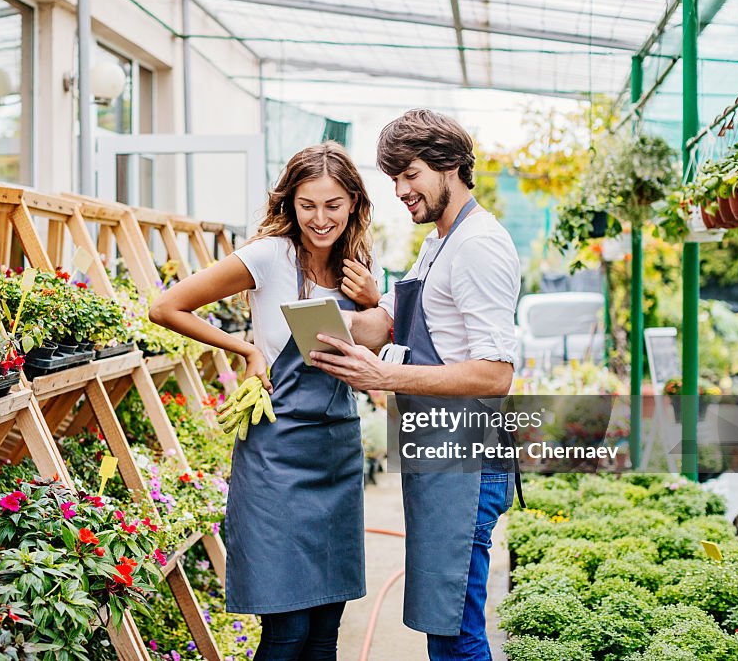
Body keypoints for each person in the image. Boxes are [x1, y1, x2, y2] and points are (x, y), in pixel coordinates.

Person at [149, 141, 382, 660]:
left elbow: (382, 343)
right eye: (308, 205)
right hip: (278, 455)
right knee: (289, 631)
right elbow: (166, 307)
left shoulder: (359, 266)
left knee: (325, 629)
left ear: (354, 205)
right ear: (289, 203)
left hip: (337, 452)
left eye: (333, 205)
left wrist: (374, 300)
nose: (320, 219)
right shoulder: (267, 255)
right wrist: (246, 347)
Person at [310, 110, 521, 660]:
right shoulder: (440, 241)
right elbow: (393, 323)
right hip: (438, 453)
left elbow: (496, 374)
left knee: (455, 633)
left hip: (467, 462)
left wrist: (385, 375)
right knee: (441, 621)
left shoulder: (478, 244)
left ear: (450, 164)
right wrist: (331, 319)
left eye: (410, 174)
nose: (401, 190)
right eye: (394, 178)